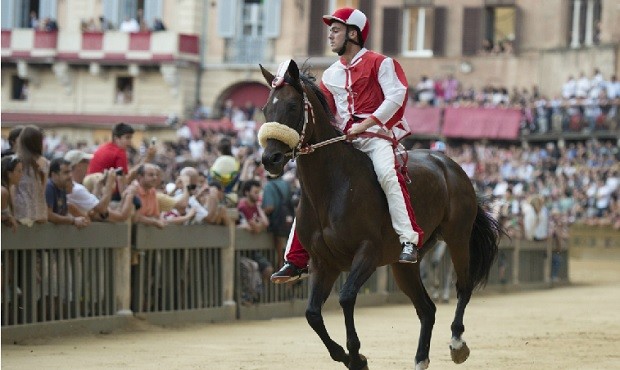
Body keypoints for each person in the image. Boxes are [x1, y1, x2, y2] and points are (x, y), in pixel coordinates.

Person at [271, 7, 424, 283]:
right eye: (330, 30)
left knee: (388, 175)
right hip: (344, 141)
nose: (330, 35)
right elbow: (326, 114)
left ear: (353, 34)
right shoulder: (329, 75)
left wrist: (365, 125)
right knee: (311, 188)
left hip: (376, 138)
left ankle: (408, 239)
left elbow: (396, 97)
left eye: (336, 30)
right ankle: (295, 260)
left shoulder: (381, 63)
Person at [13, 125, 49, 225]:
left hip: (19, 210)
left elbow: (12, 187)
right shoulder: (44, 163)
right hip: (38, 211)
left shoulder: (15, 160)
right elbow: (43, 188)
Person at [46, 158, 89, 228]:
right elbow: (48, 215)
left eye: (70, 172)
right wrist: (73, 220)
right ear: (54, 175)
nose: (70, 175)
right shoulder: (49, 187)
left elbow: (64, 213)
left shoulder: (62, 187)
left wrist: (79, 219)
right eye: (66, 172)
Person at [1, 155, 23, 232]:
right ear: (9, 174)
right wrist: (7, 217)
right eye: (19, 171)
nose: (21, 175)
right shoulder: (3, 192)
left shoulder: (11, 190)